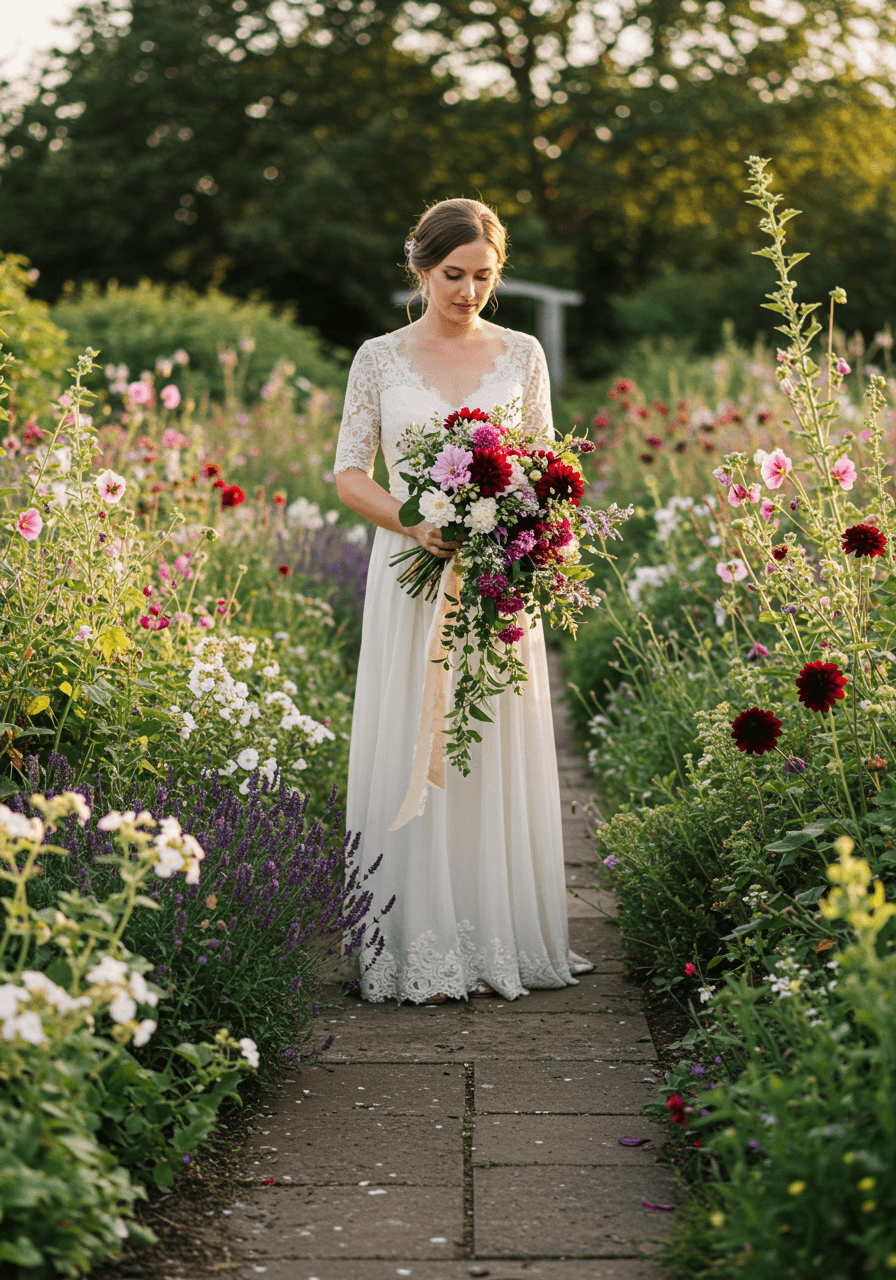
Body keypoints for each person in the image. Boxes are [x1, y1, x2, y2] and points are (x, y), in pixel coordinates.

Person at [334, 197, 592, 1003]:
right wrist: (416, 524)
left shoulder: (523, 354)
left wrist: (531, 527)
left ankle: (497, 932)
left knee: (491, 736)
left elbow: (547, 465)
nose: (468, 291)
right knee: (413, 731)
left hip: (497, 582)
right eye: (453, 275)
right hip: (410, 579)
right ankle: (411, 938)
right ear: (421, 268)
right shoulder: (378, 358)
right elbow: (349, 472)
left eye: (484, 276)